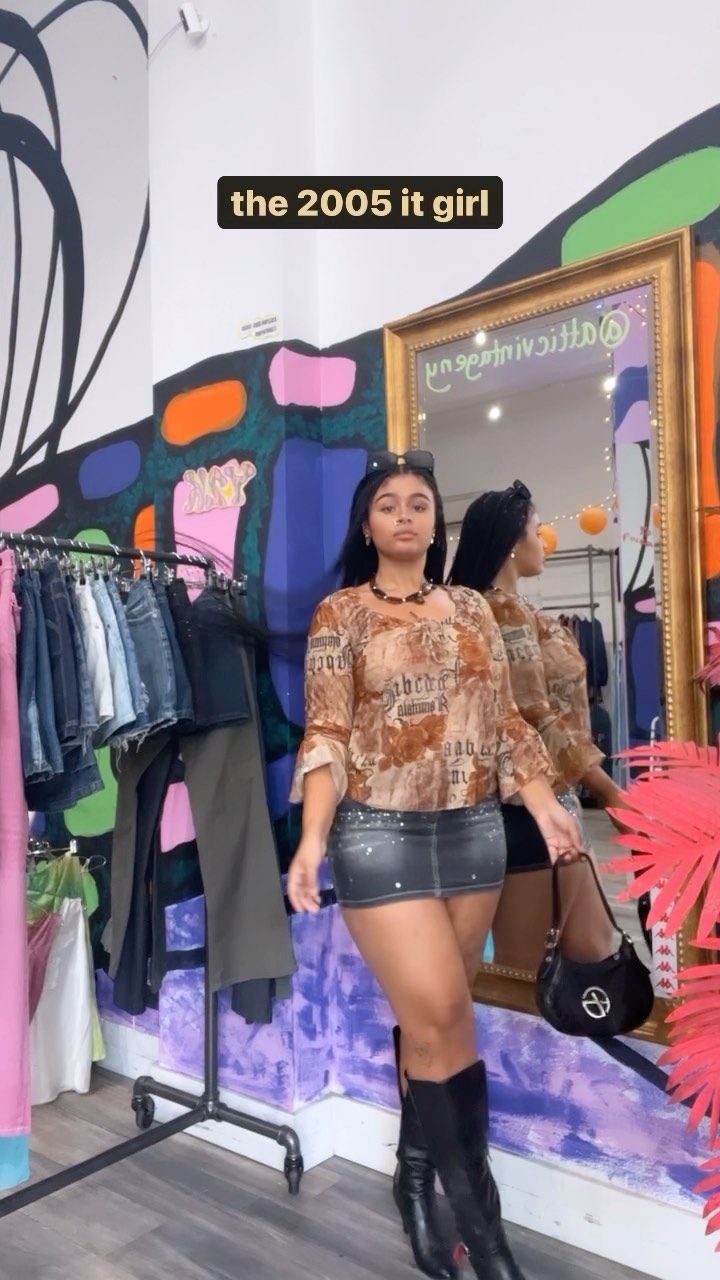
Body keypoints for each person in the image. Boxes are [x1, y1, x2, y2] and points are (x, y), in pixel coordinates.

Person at [287, 451, 583, 1280]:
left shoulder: (472, 608)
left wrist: (545, 804)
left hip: (475, 834)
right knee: (444, 1015)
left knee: (438, 1026)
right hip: (380, 836)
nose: (406, 515)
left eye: (420, 503)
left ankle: (414, 1181)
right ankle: (490, 1249)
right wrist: (311, 840)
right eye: (389, 504)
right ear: (367, 523)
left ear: (435, 522)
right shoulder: (340, 614)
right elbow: (327, 735)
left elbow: (506, 722)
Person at [448, 480, 629, 970]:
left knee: (579, 953)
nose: (543, 540)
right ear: (512, 541)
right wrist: (610, 792)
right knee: (533, 968)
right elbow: (532, 715)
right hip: (527, 808)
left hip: (536, 803)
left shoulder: (504, 609)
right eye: (536, 529)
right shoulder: (501, 611)